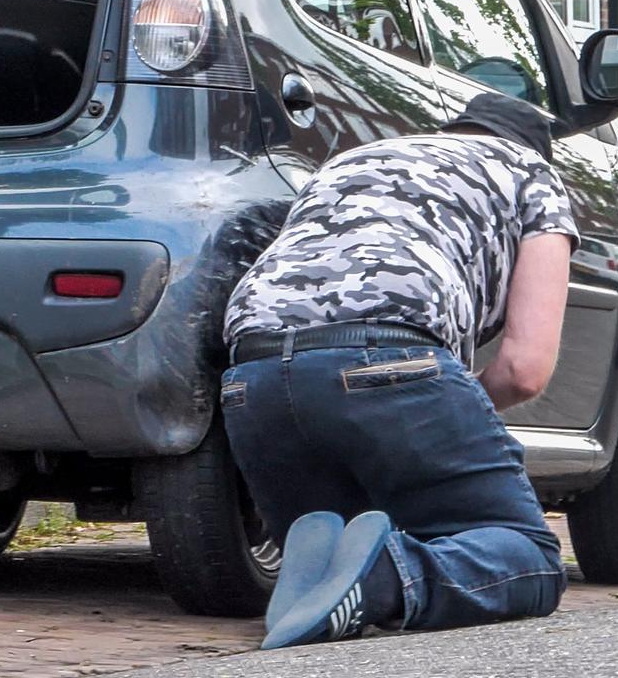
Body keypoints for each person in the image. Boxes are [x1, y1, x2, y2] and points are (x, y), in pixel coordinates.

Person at [220, 91, 576, 650]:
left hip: (253, 374)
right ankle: (384, 578)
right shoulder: (531, 173)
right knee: (526, 556)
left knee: (350, 542)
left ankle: (319, 563)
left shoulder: (353, 160)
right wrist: (454, 403)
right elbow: (524, 368)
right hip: (386, 353)